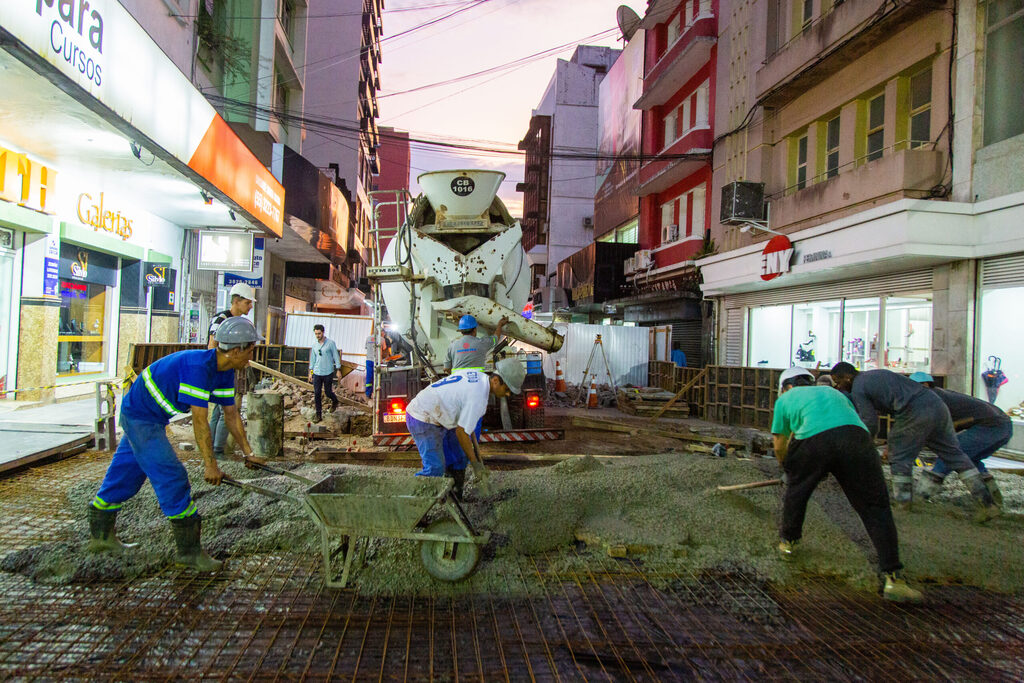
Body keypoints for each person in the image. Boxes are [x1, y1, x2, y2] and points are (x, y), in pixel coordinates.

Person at [86, 317, 264, 572]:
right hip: (140, 417)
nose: (250, 356)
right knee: (172, 475)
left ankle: (101, 538)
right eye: (250, 351)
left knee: (126, 476)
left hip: (149, 417)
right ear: (235, 350)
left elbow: (231, 414)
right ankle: (189, 553)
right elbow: (200, 422)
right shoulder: (197, 368)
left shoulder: (225, 372)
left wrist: (250, 453)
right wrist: (210, 465)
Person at [771, 367, 921, 602]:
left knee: (797, 493)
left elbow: (780, 445)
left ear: (786, 387)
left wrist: (790, 471)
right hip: (857, 440)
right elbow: (843, 427)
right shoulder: (835, 394)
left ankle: (788, 545)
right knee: (876, 507)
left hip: (813, 439)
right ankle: (894, 579)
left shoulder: (785, 399)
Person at [830, 362, 999, 521]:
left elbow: (870, 421)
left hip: (914, 411)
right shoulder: (875, 374)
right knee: (954, 455)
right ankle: (987, 503)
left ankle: (902, 503)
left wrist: (862, 443)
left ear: (847, 377)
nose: (838, 386)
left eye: (838, 381)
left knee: (899, 456)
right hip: (937, 406)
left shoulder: (859, 386)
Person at [405, 358, 525, 498]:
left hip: (441, 415)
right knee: (435, 468)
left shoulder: (479, 377)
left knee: (459, 458)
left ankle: (455, 496)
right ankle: (412, 507)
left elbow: (467, 424)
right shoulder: (478, 397)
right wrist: (475, 465)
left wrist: (474, 460)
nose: (508, 394)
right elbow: (461, 433)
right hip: (422, 416)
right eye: (507, 389)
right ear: (496, 381)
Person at [910, 372, 1009, 506]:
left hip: (992, 425)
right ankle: (993, 497)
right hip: (1003, 425)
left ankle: (921, 496)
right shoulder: (941, 395)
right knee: (970, 459)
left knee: (949, 456)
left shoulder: (932, 398)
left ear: (926, 385)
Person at [207, 282, 255, 458]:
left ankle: (211, 446)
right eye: (247, 303)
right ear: (236, 301)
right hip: (222, 369)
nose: (250, 306)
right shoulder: (222, 320)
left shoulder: (239, 322)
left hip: (230, 369)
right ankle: (217, 450)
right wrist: (217, 370)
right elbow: (212, 345)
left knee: (219, 411)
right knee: (226, 410)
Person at [444, 315, 508, 373]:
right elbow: (496, 337)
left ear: (461, 331)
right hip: (476, 380)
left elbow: (446, 368)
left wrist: (455, 375)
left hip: (458, 381)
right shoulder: (482, 343)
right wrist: (500, 324)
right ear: (475, 330)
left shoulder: (452, 345)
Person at [309, 324, 343, 423]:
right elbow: (312, 360)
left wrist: (338, 369)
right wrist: (311, 373)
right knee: (317, 393)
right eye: (316, 334)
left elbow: (336, 357)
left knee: (328, 392)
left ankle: (335, 401)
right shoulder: (314, 345)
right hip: (317, 372)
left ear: (323, 332)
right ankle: (318, 414)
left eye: (319, 333)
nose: (317, 336)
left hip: (328, 372)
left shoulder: (331, 343)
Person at [364, 330, 377, 399]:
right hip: (377, 361)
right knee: (377, 377)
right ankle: (376, 393)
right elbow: (384, 348)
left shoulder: (368, 338)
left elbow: (366, 347)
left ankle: (368, 394)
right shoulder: (381, 339)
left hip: (369, 360)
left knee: (369, 377)